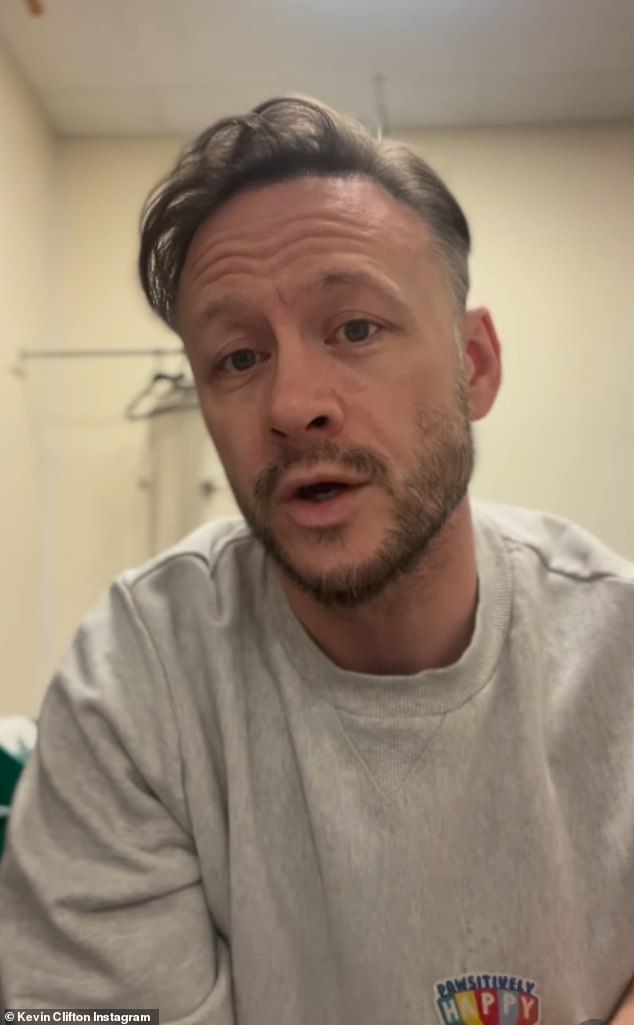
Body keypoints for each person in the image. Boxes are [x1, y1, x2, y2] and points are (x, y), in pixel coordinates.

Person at [0, 96, 632, 1025]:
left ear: (476, 364)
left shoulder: (617, 651)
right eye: (237, 357)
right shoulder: (137, 682)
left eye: (356, 329)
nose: (293, 405)